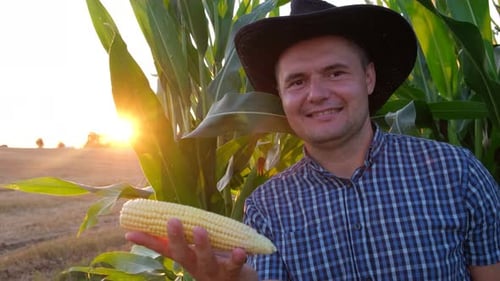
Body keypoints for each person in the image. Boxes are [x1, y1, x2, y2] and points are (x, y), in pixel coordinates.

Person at [126, 0, 500, 280]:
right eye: (297, 81)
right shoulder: (267, 208)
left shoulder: (458, 173)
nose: (316, 94)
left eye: (335, 73)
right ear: (281, 96)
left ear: (368, 78)